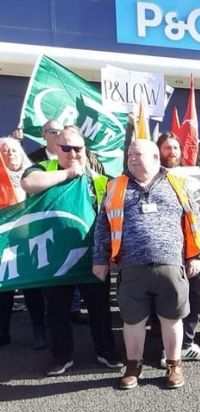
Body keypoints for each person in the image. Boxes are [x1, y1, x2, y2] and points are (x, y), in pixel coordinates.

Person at [93, 139, 200, 389]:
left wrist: (195, 255)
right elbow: (102, 224)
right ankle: (133, 366)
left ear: (156, 157)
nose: (131, 157)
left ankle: (174, 365)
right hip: (131, 267)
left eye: (138, 153)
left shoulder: (179, 183)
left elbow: (193, 219)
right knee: (132, 321)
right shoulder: (116, 186)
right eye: (129, 154)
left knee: (172, 318)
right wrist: (99, 259)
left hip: (171, 265)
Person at [21, 125, 121, 376]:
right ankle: (61, 356)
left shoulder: (98, 179)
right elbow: (28, 183)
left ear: (85, 150)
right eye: (66, 147)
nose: (72, 153)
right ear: (56, 148)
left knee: (99, 308)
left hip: (92, 257)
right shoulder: (45, 169)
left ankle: (106, 351)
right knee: (57, 311)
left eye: (78, 148)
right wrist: (68, 174)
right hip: (55, 257)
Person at [155, 133, 200, 362]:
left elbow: (198, 216)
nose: (172, 152)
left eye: (176, 148)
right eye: (167, 148)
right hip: (165, 253)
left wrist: (199, 252)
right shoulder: (150, 179)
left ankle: (186, 343)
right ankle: (166, 349)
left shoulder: (190, 177)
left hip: (190, 250)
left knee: (195, 297)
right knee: (166, 302)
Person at [0, 137, 46, 349]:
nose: (10, 154)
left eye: (14, 150)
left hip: (31, 239)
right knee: (3, 289)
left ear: (21, 152)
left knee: (33, 289)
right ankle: (2, 333)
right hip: (5, 242)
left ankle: (40, 332)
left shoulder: (35, 174)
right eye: (5, 150)